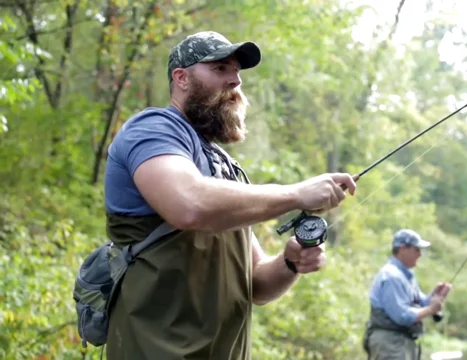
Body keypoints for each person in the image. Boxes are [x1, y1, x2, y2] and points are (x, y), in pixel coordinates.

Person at [103, 31, 357, 359]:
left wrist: (290, 261)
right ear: (181, 78)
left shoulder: (225, 166)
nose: (235, 80)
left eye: (236, 71)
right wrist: (296, 194)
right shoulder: (152, 129)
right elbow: (189, 205)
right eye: (220, 69)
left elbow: (257, 284)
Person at [363, 229, 452, 360]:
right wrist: (431, 309)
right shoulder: (391, 276)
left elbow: (420, 303)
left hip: (400, 344)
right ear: (403, 249)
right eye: (417, 250)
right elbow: (402, 316)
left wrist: (435, 296)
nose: (420, 254)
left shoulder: (405, 275)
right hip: (390, 345)